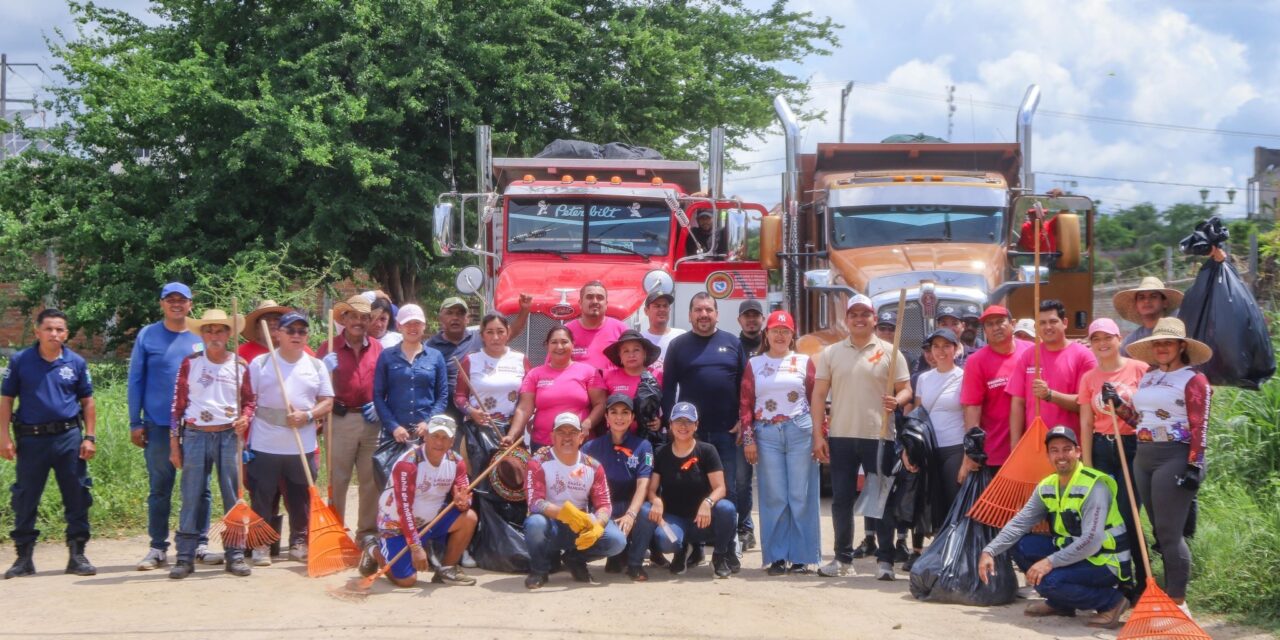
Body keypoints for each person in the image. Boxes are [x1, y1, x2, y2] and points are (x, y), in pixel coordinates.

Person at [978, 426, 1131, 629]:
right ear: (1048, 455)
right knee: (1021, 545)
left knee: (1049, 581)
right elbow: (1020, 523)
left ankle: (1111, 602)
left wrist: (1050, 562)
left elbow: (1092, 541)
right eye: (1054, 450)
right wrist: (989, 550)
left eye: (1067, 449)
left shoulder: (1094, 486)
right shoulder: (1048, 485)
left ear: (1078, 452)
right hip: (1075, 551)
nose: (1061, 455)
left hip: (1106, 560)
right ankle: (1061, 604)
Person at [811, 294, 911, 581]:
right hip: (842, 435)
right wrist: (818, 434)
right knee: (842, 499)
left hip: (879, 435)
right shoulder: (831, 353)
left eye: (864, 314)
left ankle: (885, 561)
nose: (858, 319)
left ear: (873, 319)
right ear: (847, 319)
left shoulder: (891, 352)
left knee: (881, 499)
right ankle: (843, 558)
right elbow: (818, 395)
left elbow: (907, 389)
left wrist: (898, 400)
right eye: (853, 314)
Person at [128, 282, 220, 570]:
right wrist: (135, 421)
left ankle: (200, 543)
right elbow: (136, 380)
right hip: (157, 425)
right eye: (171, 300)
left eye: (182, 299)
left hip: (195, 426)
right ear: (162, 304)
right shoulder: (148, 335)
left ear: (191, 304)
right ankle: (157, 547)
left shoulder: (199, 336)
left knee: (200, 488)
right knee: (160, 487)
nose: (176, 304)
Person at [1125, 317, 1213, 613]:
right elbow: (1139, 420)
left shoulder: (1194, 379)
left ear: (1181, 345)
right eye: (1158, 342)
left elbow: (1200, 425)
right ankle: (1167, 595)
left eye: (1168, 342)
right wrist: (1118, 405)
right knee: (1158, 532)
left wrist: (1195, 465)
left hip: (1175, 456)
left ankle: (1179, 602)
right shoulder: (1148, 376)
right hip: (1144, 456)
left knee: (1169, 532)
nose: (1162, 347)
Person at [1, 308, 97, 579]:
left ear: (66, 333)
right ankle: (24, 558)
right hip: (31, 439)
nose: (54, 334)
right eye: (49, 329)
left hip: (68, 437)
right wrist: (3, 437)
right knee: (25, 497)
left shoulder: (76, 363)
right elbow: (6, 399)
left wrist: (89, 437)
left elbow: (87, 402)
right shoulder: (21, 361)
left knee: (77, 494)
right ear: (37, 331)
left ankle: (77, 555)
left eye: (59, 330)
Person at [168, 309, 255, 579]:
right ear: (202, 334)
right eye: (209, 330)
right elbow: (177, 406)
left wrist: (245, 417)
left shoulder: (240, 366)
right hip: (195, 434)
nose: (214, 335)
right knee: (192, 494)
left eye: (220, 330)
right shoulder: (191, 363)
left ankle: (235, 554)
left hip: (229, 435)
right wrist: (174, 444)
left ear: (229, 334)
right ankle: (184, 557)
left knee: (232, 495)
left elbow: (250, 400)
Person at [661, 293, 747, 567]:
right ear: (689, 315)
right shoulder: (678, 345)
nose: (703, 314)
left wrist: (744, 418)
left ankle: (727, 548)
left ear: (717, 314)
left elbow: (745, 388)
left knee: (728, 492)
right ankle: (693, 547)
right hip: (690, 436)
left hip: (727, 432)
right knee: (690, 490)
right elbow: (667, 390)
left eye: (709, 309)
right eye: (698, 310)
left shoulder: (733, 343)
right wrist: (669, 425)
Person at [246, 312, 334, 564]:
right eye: (291, 330)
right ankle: (261, 544)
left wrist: (307, 415)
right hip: (265, 442)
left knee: (300, 497)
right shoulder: (261, 364)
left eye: (302, 331)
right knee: (262, 495)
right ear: (278, 334)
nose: (297, 335)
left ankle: (298, 540)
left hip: (302, 444)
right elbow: (248, 400)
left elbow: (327, 402)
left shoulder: (316, 365)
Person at [739, 310, 820, 575]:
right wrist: (749, 439)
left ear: (792, 334)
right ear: (767, 334)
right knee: (773, 496)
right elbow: (746, 403)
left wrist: (821, 435)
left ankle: (801, 556)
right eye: (775, 330)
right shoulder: (755, 364)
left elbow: (815, 400)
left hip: (800, 430)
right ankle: (775, 556)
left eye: (785, 331)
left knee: (801, 494)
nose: (780, 335)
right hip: (767, 434)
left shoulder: (804, 361)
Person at [1077, 317, 1150, 596]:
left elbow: (1148, 412)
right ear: (1091, 345)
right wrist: (1088, 464)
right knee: (1107, 516)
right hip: (1101, 447)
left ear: (1120, 339)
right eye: (1096, 339)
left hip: (1133, 447)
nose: (1103, 343)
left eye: (1108, 337)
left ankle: (1144, 583)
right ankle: (1119, 581)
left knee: (1129, 514)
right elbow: (1085, 422)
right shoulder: (1090, 378)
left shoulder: (1139, 369)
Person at [361, 415, 478, 587]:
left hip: (430, 522)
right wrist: (415, 547)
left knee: (470, 517)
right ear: (426, 436)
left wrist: (463, 502)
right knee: (407, 581)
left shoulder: (457, 462)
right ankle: (373, 548)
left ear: (452, 441)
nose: (439, 442)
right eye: (435, 436)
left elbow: (464, 496)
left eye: (445, 437)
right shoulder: (408, 464)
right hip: (397, 526)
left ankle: (447, 569)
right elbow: (404, 509)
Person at [628, 402, 740, 578]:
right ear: (670, 425)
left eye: (689, 422)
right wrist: (655, 500)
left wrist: (707, 502)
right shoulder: (662, 453)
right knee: (665, 540)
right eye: (678, 421)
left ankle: (720, 554)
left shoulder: (707, 451)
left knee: (726, 508)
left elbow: (720, 488)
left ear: (696, 425)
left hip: (703, 519)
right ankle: (681, 550)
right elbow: (651, 489)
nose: (683, 426)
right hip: (675, 517)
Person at [523, 412, 627, 589]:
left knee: (617, 541)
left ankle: (576, 559)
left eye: (572, 432)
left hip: (581, 524)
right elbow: (534, 501)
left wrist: (598, 525)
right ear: (552, 436)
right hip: (552, 524)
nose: (567, 437)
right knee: (534, 524)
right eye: (561, 432)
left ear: (581, 437)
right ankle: (539, 570)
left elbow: (604, 504)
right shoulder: (538, 462)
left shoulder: (593, 466)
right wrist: (565, 513)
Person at [317, 295, 384, 547]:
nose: (358, 321)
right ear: (344, 319)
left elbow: (386, 383)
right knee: (338, 478)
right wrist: (322, 369)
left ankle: (366, 533)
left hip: (371, 420)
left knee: (370, 479)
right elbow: (313, 385)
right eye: (353, 316)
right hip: (339, 419)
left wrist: (379, 404)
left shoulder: (378, 348)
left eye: (364, 317)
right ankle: (335, 533)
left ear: (370, 321)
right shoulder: (328, 348)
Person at [902, 327, 969, 567]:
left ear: (956, 349)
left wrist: (969, 454)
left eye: (946, 346)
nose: (940, 351)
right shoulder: (923, 379)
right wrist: (908, 448)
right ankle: (922, 552)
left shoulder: (964, 376)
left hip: (954, 445)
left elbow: (970, 414)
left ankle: (951, 553)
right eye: (936, 346)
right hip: (928, 446)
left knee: (952, 500)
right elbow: (918, 416)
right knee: (926, 497)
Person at [581, 394, 654, 578]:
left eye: (625, 412)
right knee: (615, 541)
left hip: (631, 505)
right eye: (613, 412)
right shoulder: (590, 447)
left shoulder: (643, 446)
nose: (619, 417)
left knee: (647, 510)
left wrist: (631, 514)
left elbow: (643, 484)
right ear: (606, 417)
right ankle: (604, 554)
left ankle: (635, 563)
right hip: (603, 508)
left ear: (632, 418)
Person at [427, 296, 530, 424]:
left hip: (479, 414)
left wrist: (524, 311)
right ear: (440, 317)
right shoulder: (429, 347)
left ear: (467, 319)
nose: (455, 317)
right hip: (444, 411)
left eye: (460, 314)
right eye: (449, 313)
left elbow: (510, 332)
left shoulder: (480, 337)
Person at [1008, 300, 1096, 445]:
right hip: (1035, 444)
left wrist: (1050, 395)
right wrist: (1015, 446)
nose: (1047, 327)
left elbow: (1089, 404)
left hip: (1071, 446)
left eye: (1053, 321)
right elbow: (1018, 403)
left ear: (1065, 322)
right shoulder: (1028, 355)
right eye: (1042, 323)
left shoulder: (1084, 356)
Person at [959, 305, 1032, 476]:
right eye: (990, 324)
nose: (996, 328)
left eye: (1000, 322)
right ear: (984, 330)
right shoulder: (976, 361)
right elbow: (972, 408)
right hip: (996, 453)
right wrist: (971, 452)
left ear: (1012, 324)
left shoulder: (1031, 351)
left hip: (1033, 446)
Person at [507, 327, 606, 451]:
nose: (559, 347)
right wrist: (512, 435)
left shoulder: (589, 372)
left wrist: (587, 424)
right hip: (543, 444)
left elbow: (601, 403)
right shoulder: (535, 374)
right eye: (554, 342)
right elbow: (523, 409)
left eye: (564, 342)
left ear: (573, 344)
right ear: (547, 345)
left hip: (580, 443)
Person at [374, 304, 449, 444]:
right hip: (395, 435)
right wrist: (393, 426)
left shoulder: (436, 357)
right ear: (398, 326)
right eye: (407, 323)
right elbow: (378, 396)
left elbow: (443, 396)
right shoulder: (386, 356)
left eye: (417, 323)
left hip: (427, 434)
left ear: (424, 325)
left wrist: (429, 422)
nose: (412, 327)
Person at [454, 314, 531, 438]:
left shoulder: (521, 360)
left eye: (500, 332)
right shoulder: (470, 360)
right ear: (482, 335)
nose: (495, 337)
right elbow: (459, 396)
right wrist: (471, 411)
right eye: (490, 332)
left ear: (508, 332)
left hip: (512, 431)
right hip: (478, 432)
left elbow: (529, 398)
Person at [601, 329, 663, 436]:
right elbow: (601, 407)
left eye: (636, 350)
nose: (631, 355)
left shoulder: (658, 376)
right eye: (626, 351)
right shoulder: (607, 376)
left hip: (649, 439)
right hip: (617, 438)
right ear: (619, 356)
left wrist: (661, 421)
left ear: (645, 353)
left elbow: (668, 405)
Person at [1112, 277, 1184, 357]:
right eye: (1141, 297)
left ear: (1165, 303)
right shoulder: (1130, 342)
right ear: (1136, 305)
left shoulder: (1178, 332)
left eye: (1153, 296)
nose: (1146, 301)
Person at [566, 281, 628, 374]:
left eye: (600, 298)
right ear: (580, 303)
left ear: (606, 304)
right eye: (590, 297)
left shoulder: (621, 329)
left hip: (612, 387)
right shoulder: (566, 331)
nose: (595, 301)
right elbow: (553, 367)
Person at [640, 290, 685, 368]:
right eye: (657, 306)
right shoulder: (639, 339)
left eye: (665, 306)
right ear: (646, 311)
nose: (662, 309)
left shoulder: (681, 336)